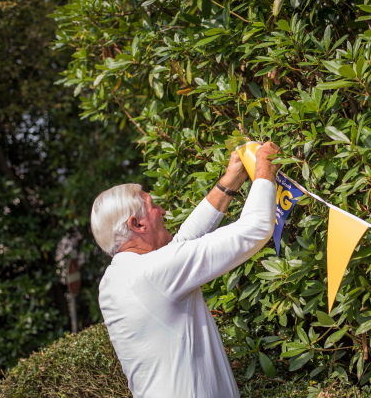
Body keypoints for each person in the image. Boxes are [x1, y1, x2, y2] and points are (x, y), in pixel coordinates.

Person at [90, 142, 281, 398]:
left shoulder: (117, 278)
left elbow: (182, 243)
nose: (163, 210)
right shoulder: (152, 273)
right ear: (137, 224)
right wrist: (265, 171)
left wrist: (230, 181)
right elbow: (254, 228)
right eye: (153, 207)